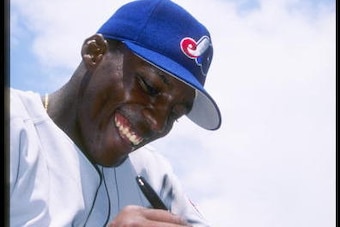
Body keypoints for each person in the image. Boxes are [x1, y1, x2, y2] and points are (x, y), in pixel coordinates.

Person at [9, 0, 221, 226]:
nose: (158, 124)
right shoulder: (14, 126)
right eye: (149, 87)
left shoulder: (153, 174)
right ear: (94, 52)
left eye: (174, 114)